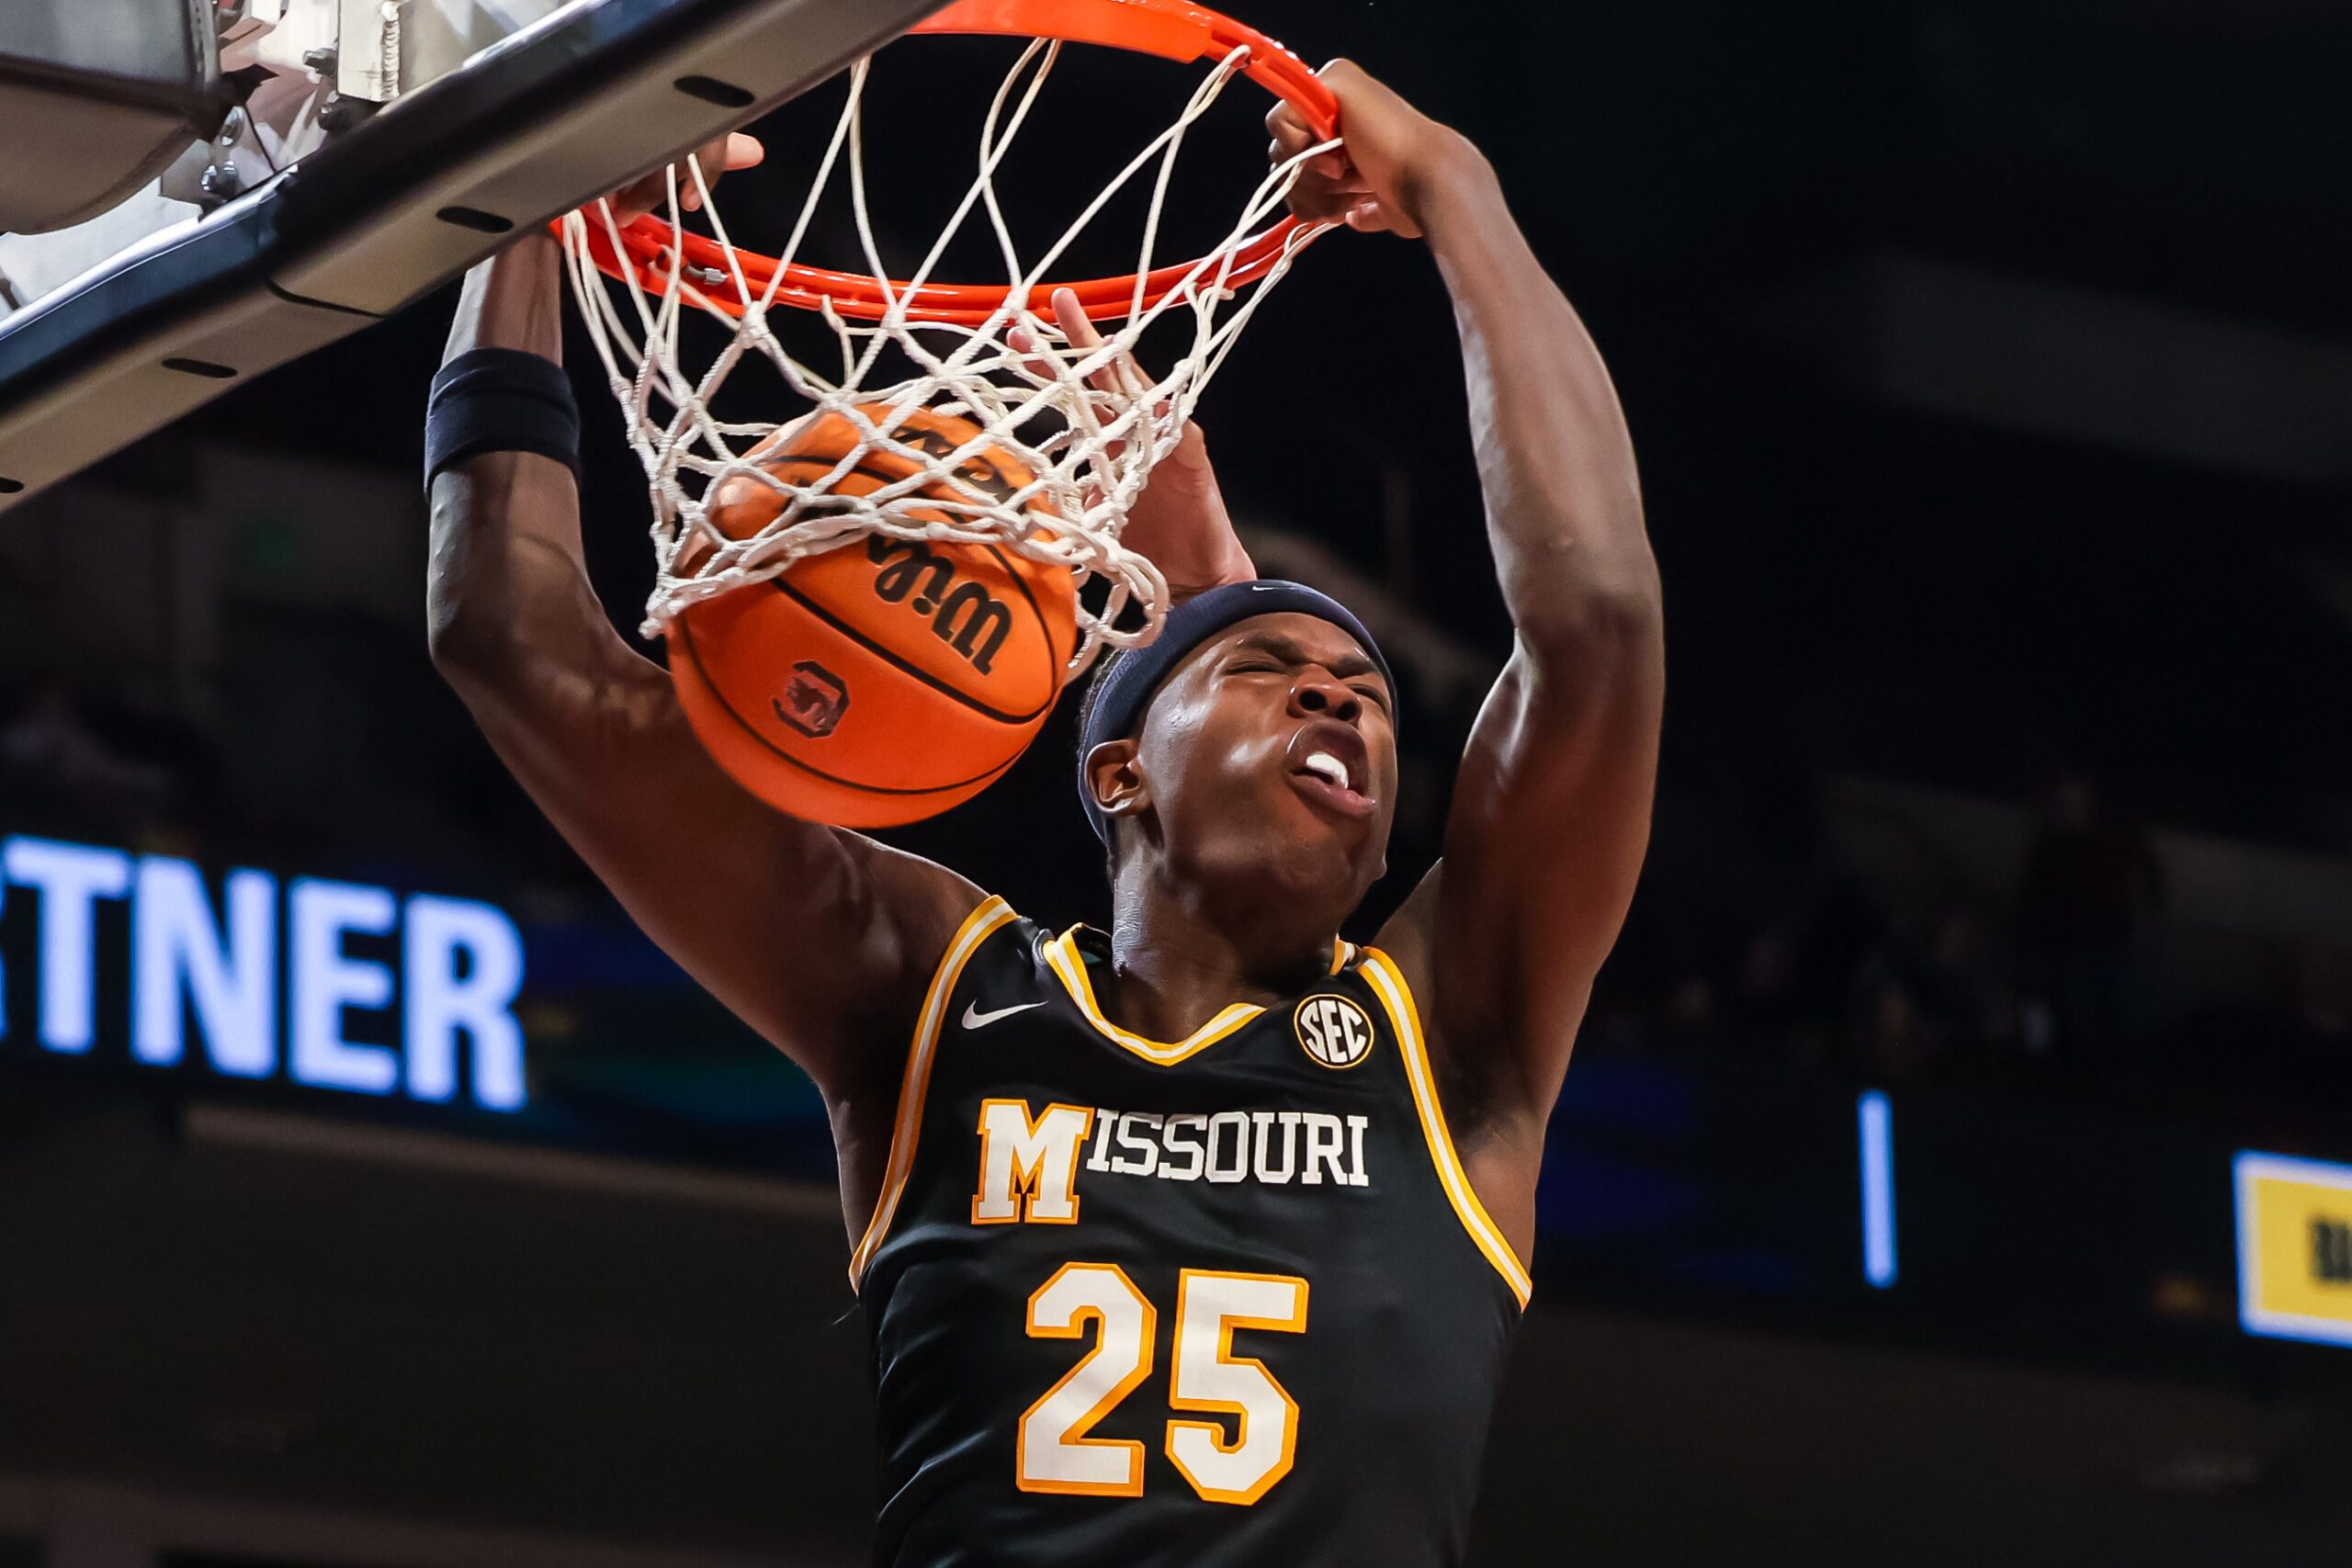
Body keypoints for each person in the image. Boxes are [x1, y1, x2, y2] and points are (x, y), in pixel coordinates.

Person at [425, 60, 1662, 1568]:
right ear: (1119, 768)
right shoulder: (944, 995)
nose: (1344, 699)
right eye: (1276, 670)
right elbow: (513, 635)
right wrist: (529, 228)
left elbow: (1592, 623)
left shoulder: (1451, 1040)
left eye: (1370, 693)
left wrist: (1458, 192)